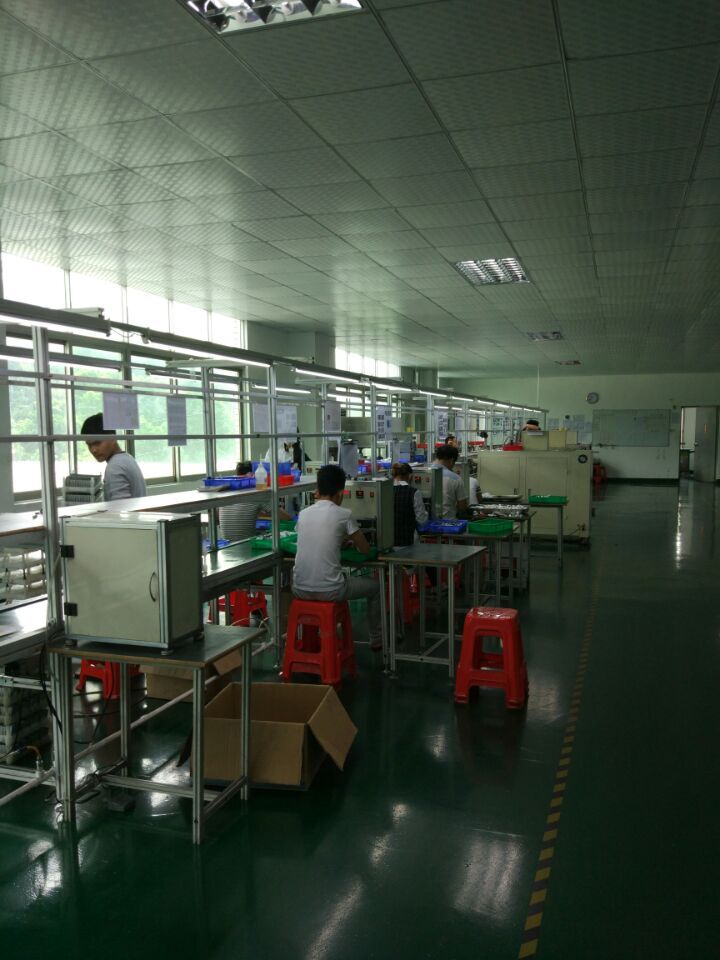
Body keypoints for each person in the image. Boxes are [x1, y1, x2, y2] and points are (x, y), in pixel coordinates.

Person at [292, 464, 382, 651]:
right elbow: (365, 549)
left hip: (299, 588)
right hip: (331, 590)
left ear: (318, 490)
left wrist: (338, 541)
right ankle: (376, 639)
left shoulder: (303, 514)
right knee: (376, 588)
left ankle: (310, 642)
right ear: (341, 493)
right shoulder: (344, 514)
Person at [218, 461, 291, 543]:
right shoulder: (255, 494)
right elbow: (286, 518)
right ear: (252, 475)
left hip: (227, 546)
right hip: (246, 546)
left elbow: (243, 511)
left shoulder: (228, 492)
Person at [81, 412, 146, 501]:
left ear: (113, 438)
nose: (93, 450)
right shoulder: (127, 458)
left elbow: (120, 508)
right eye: (89, 445)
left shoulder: (115, 466)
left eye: (97, 443)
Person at [391, 462, 428, 545]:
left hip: (389, 541)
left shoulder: (385, 491)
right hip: (408, 539)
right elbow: (421, 520)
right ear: (410, 475)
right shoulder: (414, 492)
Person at [432, 444, 468, 519]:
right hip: (449, 522)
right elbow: (462, 506)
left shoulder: (427, 473)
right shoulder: (455, 478)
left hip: (427, 522)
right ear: (451, 460)